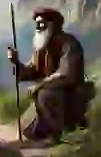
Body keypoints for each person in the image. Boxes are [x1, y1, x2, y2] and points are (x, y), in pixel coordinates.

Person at [7, 7, 94, 143]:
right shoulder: (41, 48)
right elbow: (31, 71)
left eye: (41, 23)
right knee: (29, 127)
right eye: (36, 23)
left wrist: (40, 85)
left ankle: (58, 135)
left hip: (70, 95)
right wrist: (16, 62)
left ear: (53, 24)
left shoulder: (69, 44)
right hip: (50, 95)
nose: (38, 27)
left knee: (46, 95)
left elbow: (66, 74)